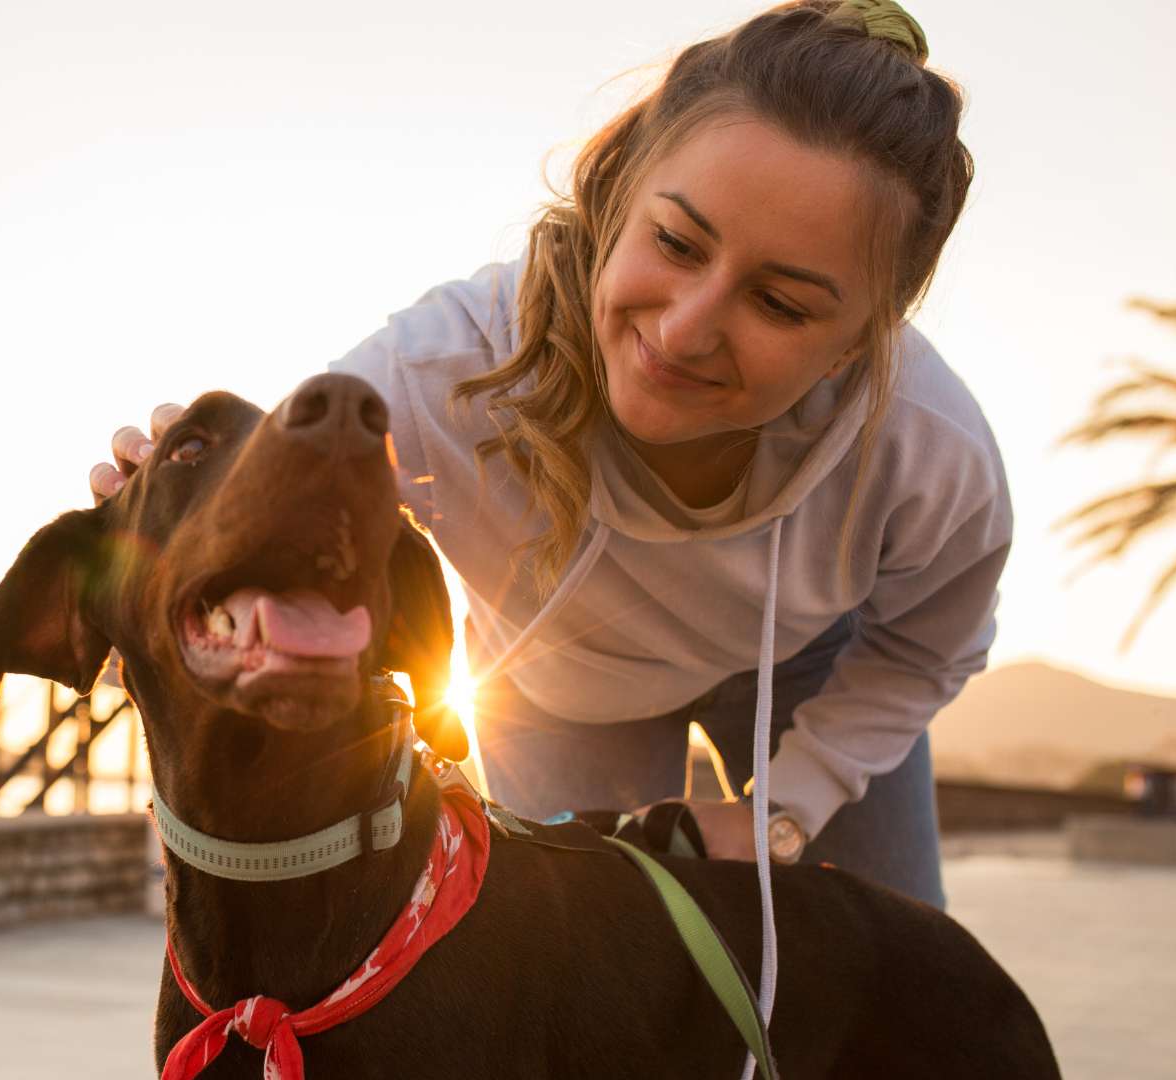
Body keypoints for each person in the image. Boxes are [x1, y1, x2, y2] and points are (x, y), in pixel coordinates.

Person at [92, 0, 1003, 913]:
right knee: (588, 997)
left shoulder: (931, 456)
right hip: (561, 692)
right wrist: (168, 512)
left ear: (858, 345)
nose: (684, 333)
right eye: (677, 243)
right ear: (617, 195)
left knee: (902, 973)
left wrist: (781, 812)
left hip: (808, 670)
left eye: (781, 304)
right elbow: (271, 518)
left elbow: (927, 649)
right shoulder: (439, 371)